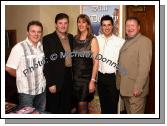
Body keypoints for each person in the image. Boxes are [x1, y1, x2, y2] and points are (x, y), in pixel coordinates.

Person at [5, 21, 46, 111]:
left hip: (41, 90)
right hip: (26, 92)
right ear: (27, 32)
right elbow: (8, 68)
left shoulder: (41, 46)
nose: (36, 34)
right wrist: (21, 76)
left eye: (39, 32)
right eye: (33, 31)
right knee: (27, 118)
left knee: (41, 115)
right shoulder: (18, 48)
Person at [117, 17, 152, 114]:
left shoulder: (144, 41)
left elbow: (144, 67)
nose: (130, 28)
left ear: (139, 27)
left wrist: (138, 87)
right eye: (127, 25)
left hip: (135, 91)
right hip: (126, 88)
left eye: (133, 25)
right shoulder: (127, 41)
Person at [43, 13, 74, 114]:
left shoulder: (71, 37)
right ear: (55, 24)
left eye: (65, 23)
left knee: (66, 106)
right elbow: (46, 63)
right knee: (54, 107)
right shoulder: (48, 39)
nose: (63, 25)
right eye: (60, 23)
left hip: (69, 75)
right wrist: (50, 83)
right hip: (55, 78)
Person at [96, 15, 125, 114]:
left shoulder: (120, 42)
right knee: (103, 106)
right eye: (104, 25)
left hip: (113, 78)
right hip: (100, 77)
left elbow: (124, 62)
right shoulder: (96, 40)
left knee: (113, 106)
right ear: (101, 27)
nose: (106, 27)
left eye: (109, 25)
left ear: (112, 26)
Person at [72, 14, 99, 114]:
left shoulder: (93, 40)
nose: (81, 24)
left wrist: (92, 80)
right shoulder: (74, 39)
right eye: (79, 22)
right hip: (74, 79)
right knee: (76, 108)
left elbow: (96, 62)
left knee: (82, 108)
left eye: (84, 22)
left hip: (86, 80)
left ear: (88, 24)